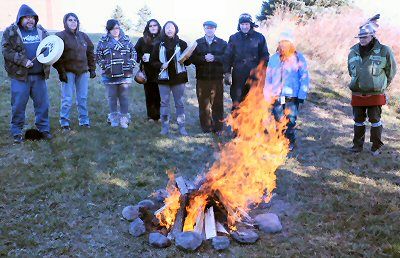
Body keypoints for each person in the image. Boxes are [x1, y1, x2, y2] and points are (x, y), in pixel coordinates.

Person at [1, 4, 52, 143]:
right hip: (20, 76)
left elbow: (50, 47)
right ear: (20, 18)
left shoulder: (41, 31)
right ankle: (16, 131)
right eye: (27, 17)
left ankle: (44, 130)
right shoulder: (11, 31)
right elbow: (6, 51)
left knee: (42, 104)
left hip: (39, 75)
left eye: (33, 18)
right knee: (18, 105)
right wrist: (23, 61)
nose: (30, 20)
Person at [347, 16, 397, 155]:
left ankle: (376, 146)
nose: (362, 40)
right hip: (357, 92)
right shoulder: (353, 51)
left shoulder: (384, 51)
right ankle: (357, 146)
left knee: (375, 120)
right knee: (358, 121)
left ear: (372, 36)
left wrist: (382, 84)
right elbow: (351, 70)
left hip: (375, 93)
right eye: (360, 37)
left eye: (365, 37)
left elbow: (391, 71)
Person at [264, 30, 310, 151]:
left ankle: (290, 141)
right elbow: (268, 78)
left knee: (290, 120)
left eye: (287, 42)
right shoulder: (273, 58)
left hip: (292, 96)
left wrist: (302, 94)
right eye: (282, 42)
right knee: (278, 119)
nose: (284, 45)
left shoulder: (298, 58)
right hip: (276, 95)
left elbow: (304, 76)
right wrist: (267, 94)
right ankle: (280, 141)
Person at [53, 13, 96, 131]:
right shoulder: (60, 36)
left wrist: (92, 68)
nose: (73, 22)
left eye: (75, 20)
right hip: (68, 72)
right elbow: (55, 56)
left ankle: (84, 121)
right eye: (70, 20)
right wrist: (61, 72)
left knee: (82, 98)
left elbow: (90, 52)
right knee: (67, 98)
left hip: (82, 71)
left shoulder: (83, 36)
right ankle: (64, 122)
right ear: (65, 22)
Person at [150, 21, 192, 136]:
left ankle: (182, 127)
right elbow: (152, 61)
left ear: (175, 29)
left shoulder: (182, 44)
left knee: (179, 103)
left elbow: (188, 63)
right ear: (164, 29)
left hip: (179, 79)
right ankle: (165, 127)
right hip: (164, 79)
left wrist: (187, 57)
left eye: (171, 27)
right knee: (164, 103)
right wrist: (160, 65)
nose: (169, 29)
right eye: (167, 27)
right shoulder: (158, 44)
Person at [224, 13, 269, 111]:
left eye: (247, 24)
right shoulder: (234, 38)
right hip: (238, 75)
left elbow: (265, 55)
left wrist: (261, 70)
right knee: (237, 100)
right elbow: (228, 56)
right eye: (242, 24)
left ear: (251, 24)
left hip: (255, 75)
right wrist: (227, 72)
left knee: (254, 101)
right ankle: (235, 124)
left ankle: (252, 125)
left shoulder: (259, 37)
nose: (244, 26)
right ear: (239, 25)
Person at [96, 19, 137, 128]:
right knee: (112, 96)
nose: (116, 30)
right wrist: (105, 66)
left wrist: (131, 64)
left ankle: (124, 118)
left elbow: (134, 53)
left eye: (117, 28)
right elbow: (98, 56)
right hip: (109, 74)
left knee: (124, 97)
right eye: (113, 28)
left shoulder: (126, 39)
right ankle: (113, 117)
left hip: (125, 73)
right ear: (108, 30)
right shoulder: (103, 40)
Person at [191, 21, 227, 134]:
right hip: (202, 78)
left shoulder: (222, 43)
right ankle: (206, 127)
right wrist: (203, 58)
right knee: (203, 103)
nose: (209, 30)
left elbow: (226, 58)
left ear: (215, 29)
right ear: (204, 29)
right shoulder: (197, 43)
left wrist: (215, 58)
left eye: (212, 28)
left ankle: (218, 127)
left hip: (217, 79)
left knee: (217, 103)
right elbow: (192, 59)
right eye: (207, 28)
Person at [134, 19, 162, 122]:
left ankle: (159, 116)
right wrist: (141, 57)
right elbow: (134, 53)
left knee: (159, 95)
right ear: (148, 28)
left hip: (160, 70)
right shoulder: (142, 40)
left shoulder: (163, 39)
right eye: (151, 26)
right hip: (147, 71)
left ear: (158, 27)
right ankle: (151, 116)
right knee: (149, 94)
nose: (153, 27)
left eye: (155, 25)